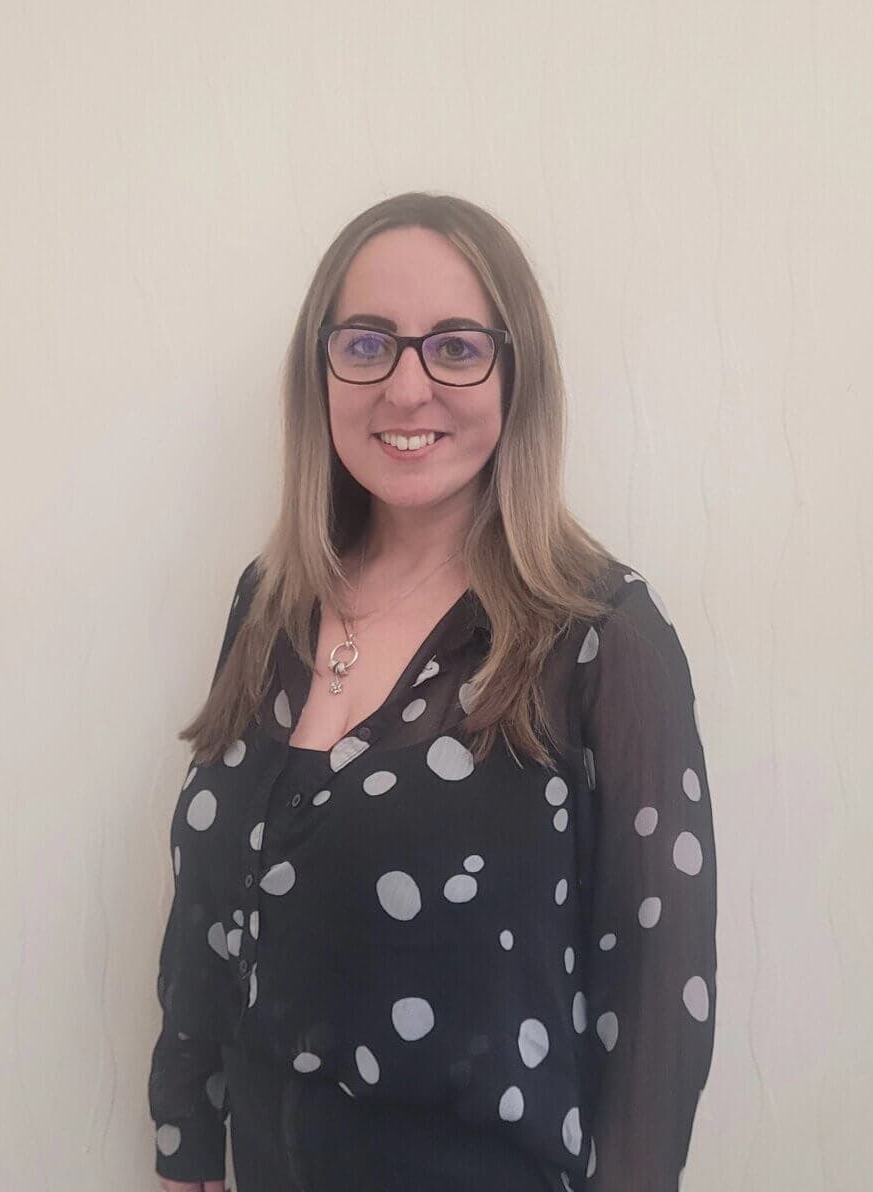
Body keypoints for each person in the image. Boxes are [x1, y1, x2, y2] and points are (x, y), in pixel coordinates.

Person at [147, 191, 717, 1192]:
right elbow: (209, 903)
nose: (407, 387)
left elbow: (658, 998)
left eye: (454, 347)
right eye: (367, 343)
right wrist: (184, 1129)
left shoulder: (599, 637)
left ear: (515, 371)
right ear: (321, 370)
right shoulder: (269, 603)